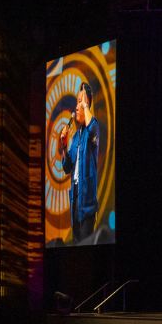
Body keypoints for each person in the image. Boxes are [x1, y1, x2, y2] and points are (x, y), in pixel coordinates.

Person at [58, 82, 101, 242]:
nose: (76, 106)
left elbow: (91, 129)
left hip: (87, 206)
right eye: (77, 102)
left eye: (80, 102)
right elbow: (66, 167)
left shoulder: (94, 126)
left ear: (87, 105)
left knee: (86, 246)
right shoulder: (76, 137)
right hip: (75, 201)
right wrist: (63, 145)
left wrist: (85, 104)